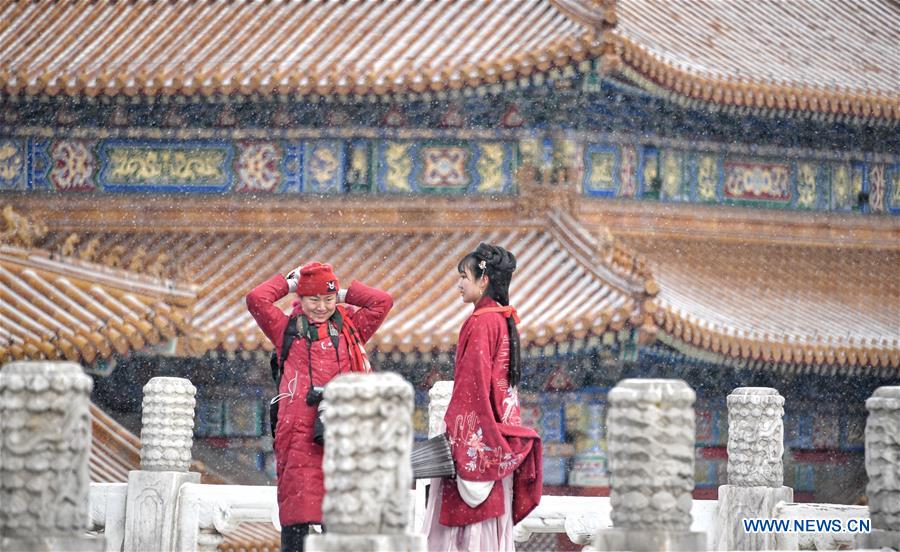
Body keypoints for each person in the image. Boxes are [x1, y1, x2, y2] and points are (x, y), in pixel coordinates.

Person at [246, 262, 393, 552]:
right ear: (301, 298)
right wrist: (290, 284)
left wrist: (342, 294)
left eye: (328, 299)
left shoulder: (349, 327)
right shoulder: (285, 328)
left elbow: (382, 302)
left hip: (340, 432)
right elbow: (256, 299)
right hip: (298, 434)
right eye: (314, 299)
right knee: (297, 515)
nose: (321, 307)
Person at [423, 243, 542, 551]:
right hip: (498, 435)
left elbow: (471, 389)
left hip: (477, 436)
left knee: (465, 536)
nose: (459, 284)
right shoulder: (501, 319)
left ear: (484, 280)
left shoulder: (480, 322)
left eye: (464, 276)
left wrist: (458, 440)